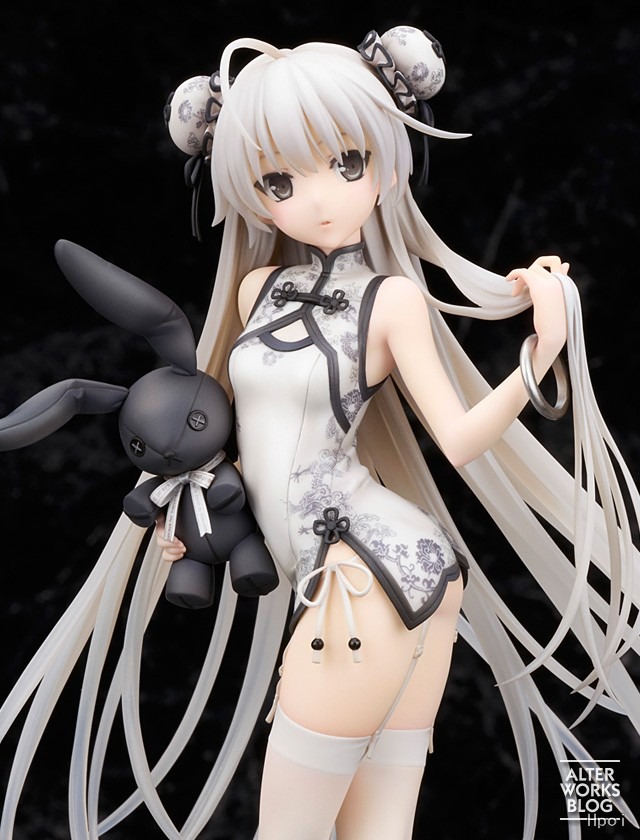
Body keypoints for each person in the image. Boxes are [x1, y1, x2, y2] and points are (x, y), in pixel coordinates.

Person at [1, 25, 638, 840]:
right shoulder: (257, 289)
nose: (322, 197)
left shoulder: (391, 301)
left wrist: (535, 360)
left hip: (362, 576)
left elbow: (458, 439)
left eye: (349, 162)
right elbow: (247, 436)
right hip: (368, 577)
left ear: (386, 163)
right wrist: (191, 511)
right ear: (250, 189)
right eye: (280, 179)